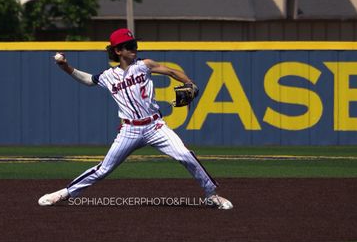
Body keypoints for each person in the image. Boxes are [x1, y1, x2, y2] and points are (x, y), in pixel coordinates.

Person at [38, 28, 233, 210]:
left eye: (134, 45)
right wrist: (66, 67)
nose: (134, 48)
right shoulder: (108, 76)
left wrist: (189, 83)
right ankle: (64, 193)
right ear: (118, 50)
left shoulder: (143, 65)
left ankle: (211, 194)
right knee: (103, 169)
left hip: (155, 126)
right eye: (129, 46)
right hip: (129, 130)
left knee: (185, 155)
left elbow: (172, 72)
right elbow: (88, 80)